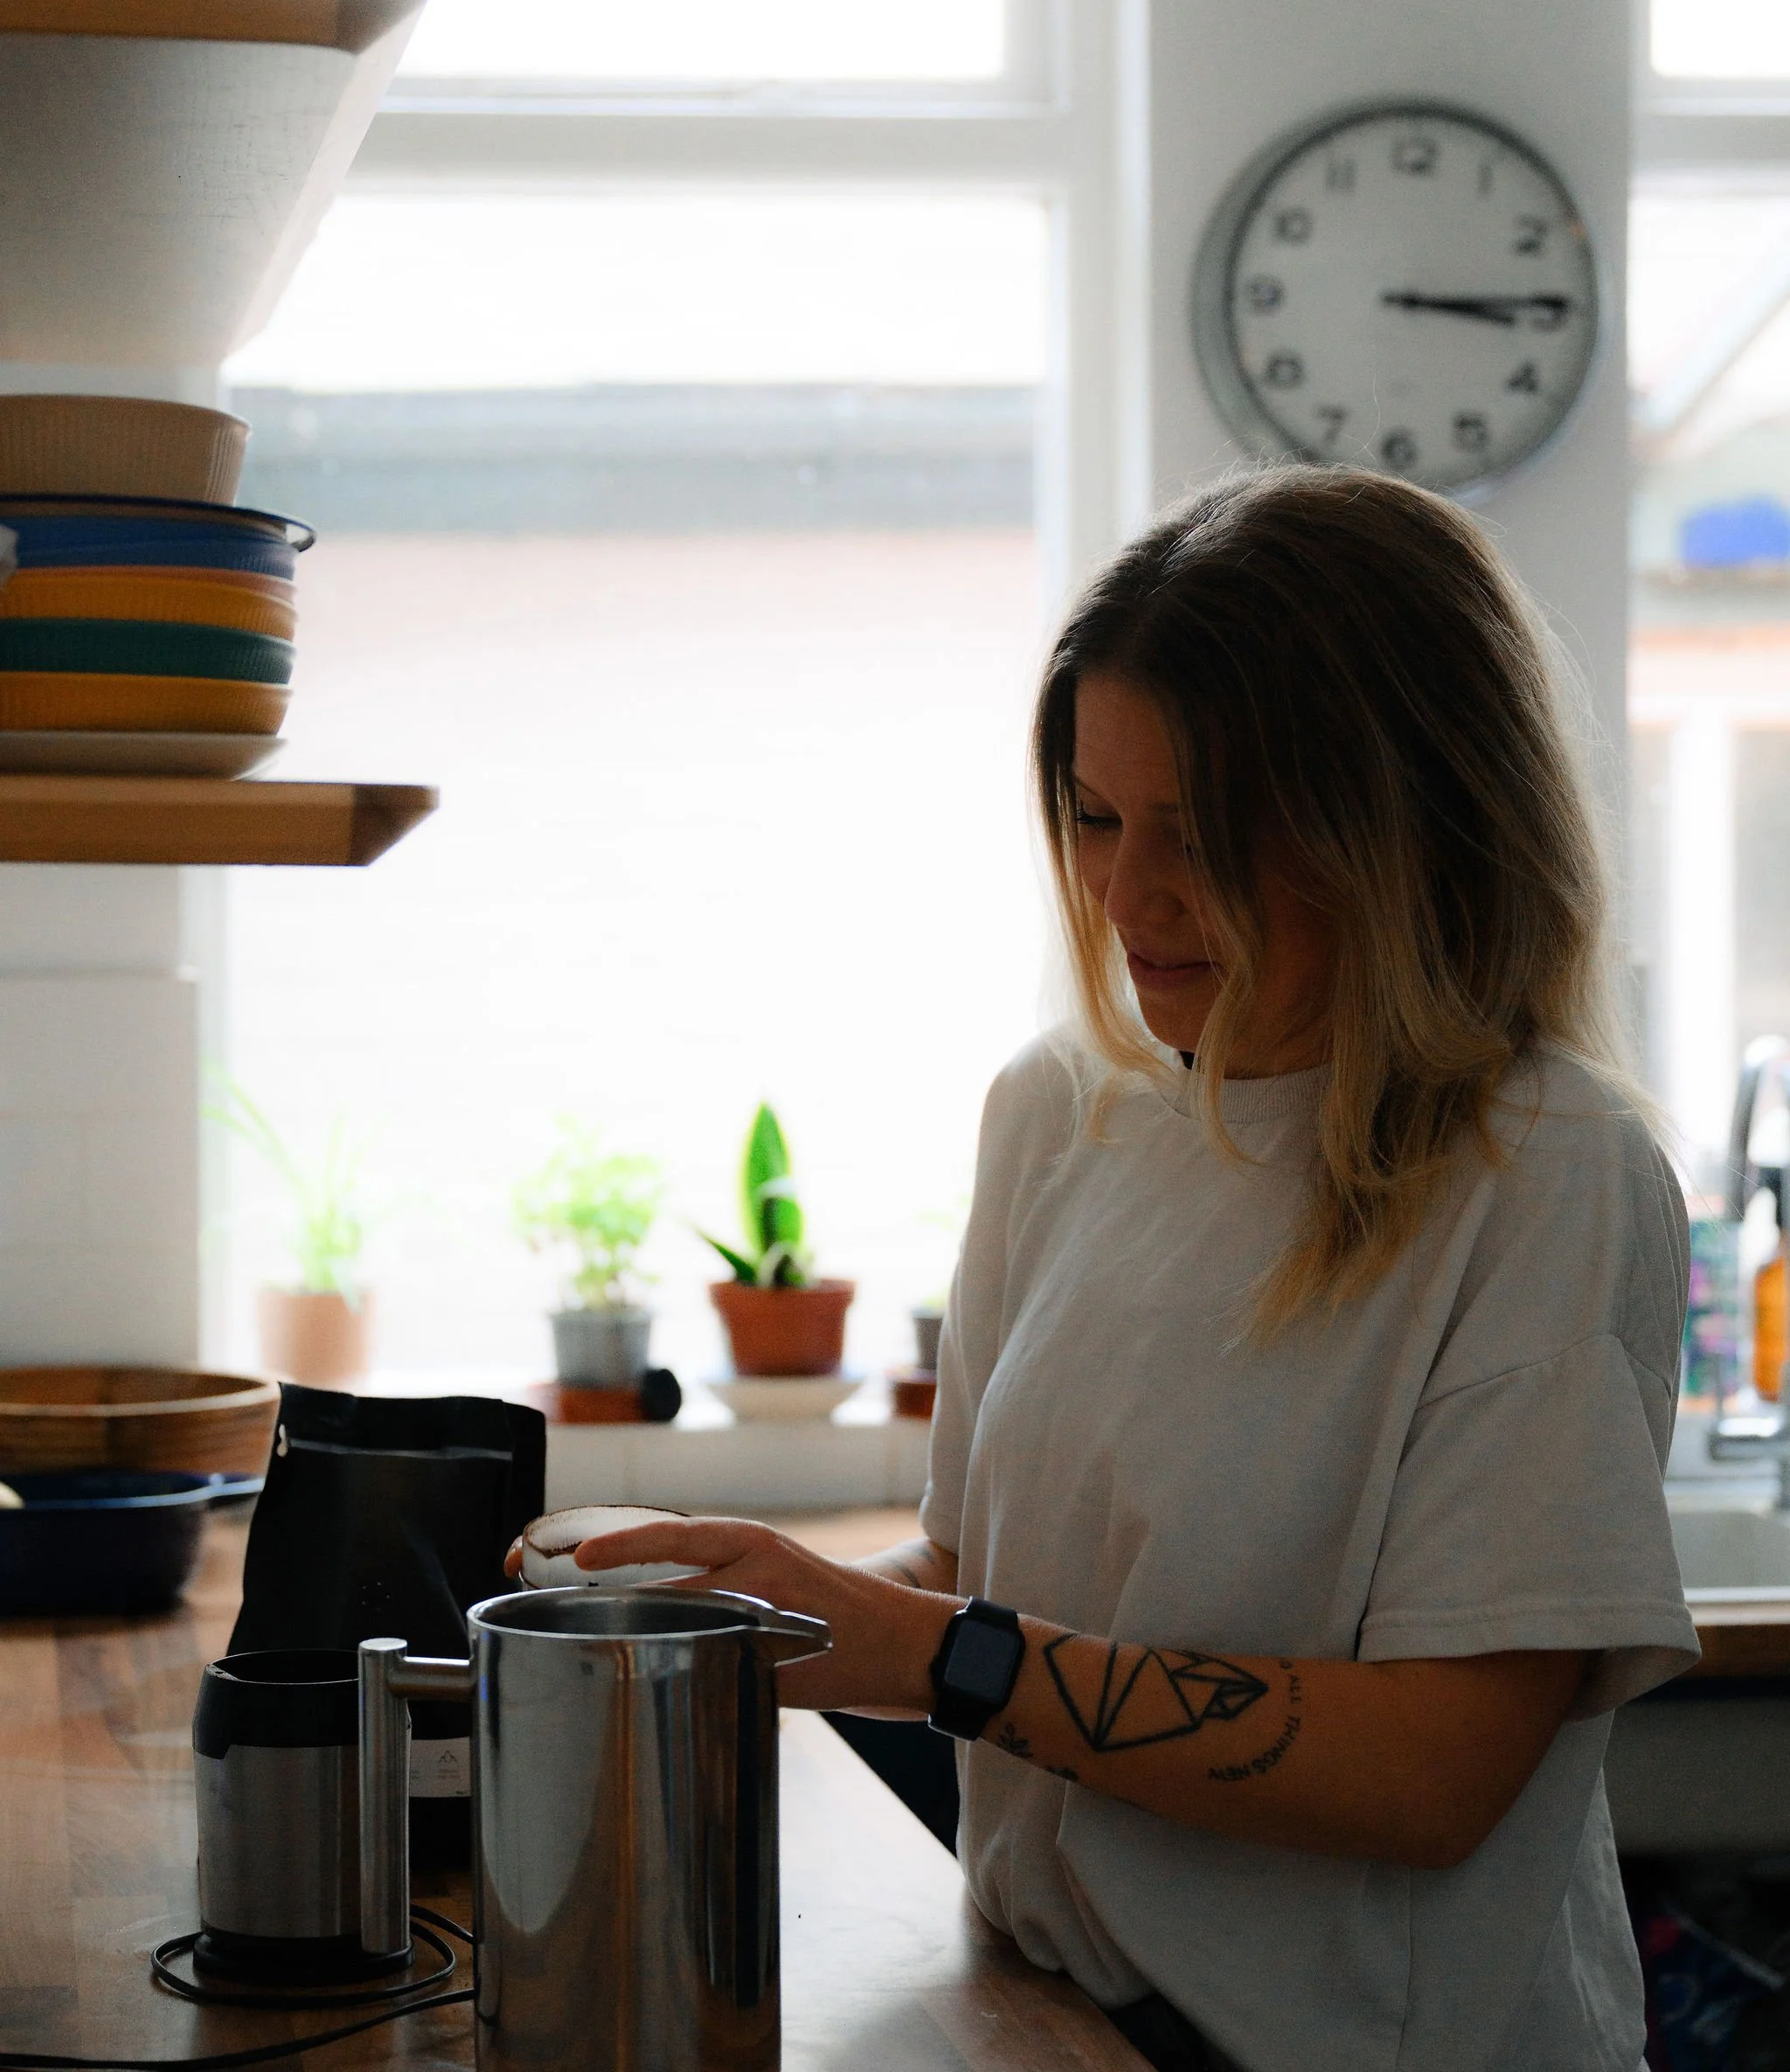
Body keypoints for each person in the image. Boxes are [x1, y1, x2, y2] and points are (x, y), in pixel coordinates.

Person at [517, 467, 1697, 2072]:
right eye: (1093, 816)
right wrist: (755, 1605)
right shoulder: (1062, 1109)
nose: (1126, 898)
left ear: (1405, 823)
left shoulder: (1542, 1170)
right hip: (1053, 2012)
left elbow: (1435, 1776)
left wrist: (919, 1650)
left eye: (1202, 835)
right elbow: (984, 1576)